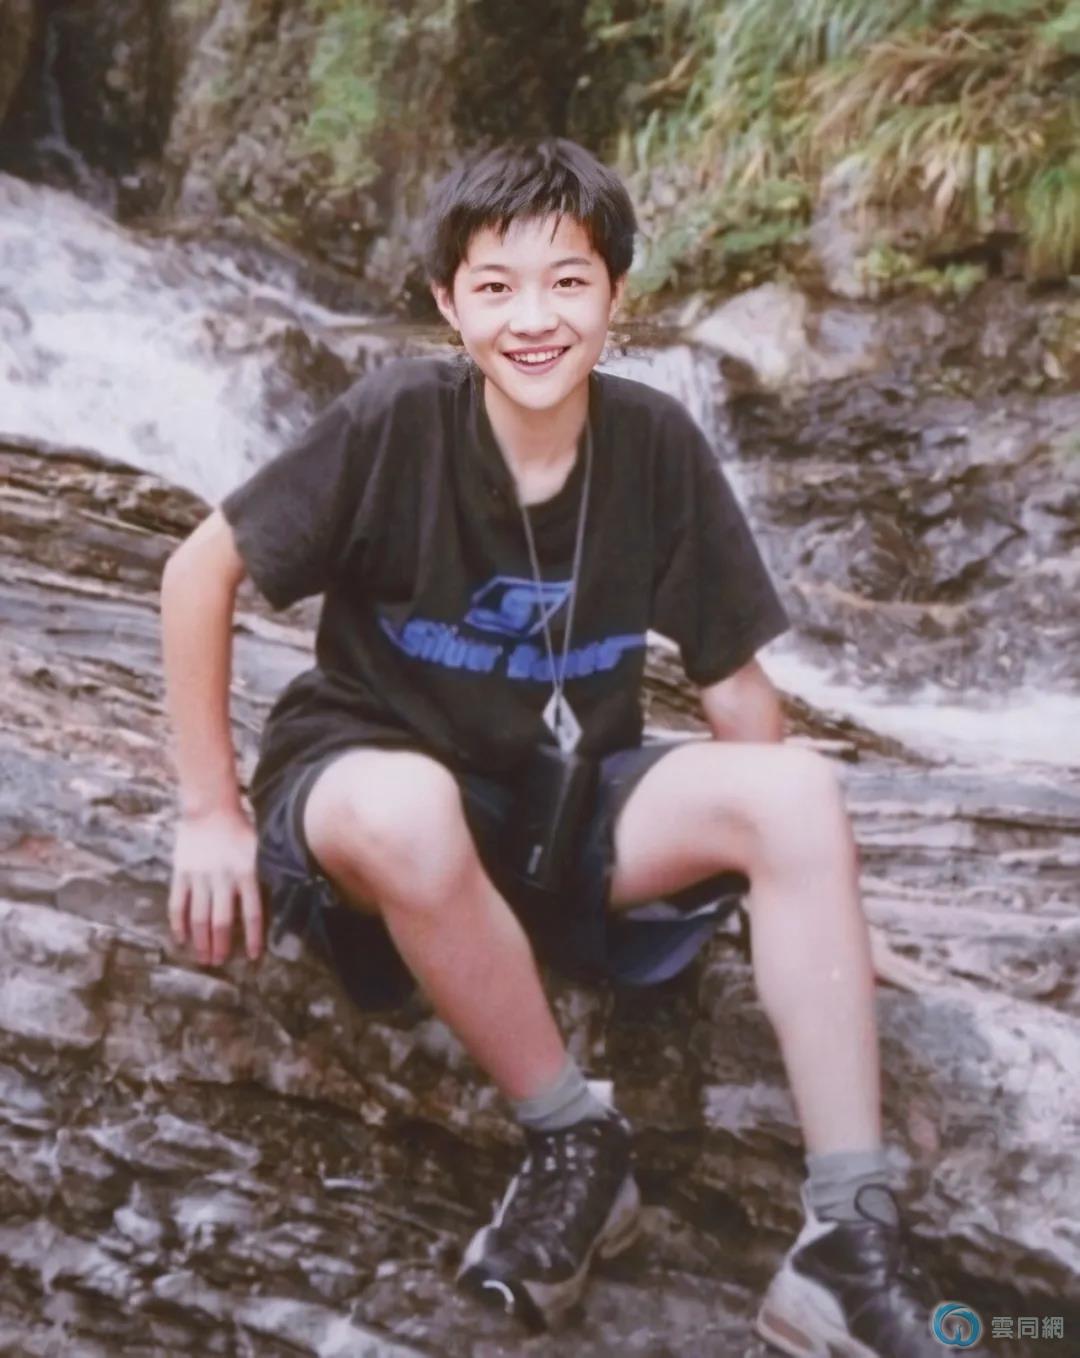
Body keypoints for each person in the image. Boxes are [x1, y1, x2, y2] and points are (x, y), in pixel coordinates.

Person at [160, 138, 968, 1357]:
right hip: (369, 782)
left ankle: (845, 1242)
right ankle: (573, 1138)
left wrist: (814, 894)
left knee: (800, 791)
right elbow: (195, 572)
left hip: (564, 800)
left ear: (616, 294)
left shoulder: (656, 443)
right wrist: (210, 810)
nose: (533, 318)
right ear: (449, 303)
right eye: (496, 287)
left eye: (569, 282)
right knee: (407, 808)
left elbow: (736, 689)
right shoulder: (396, 417)